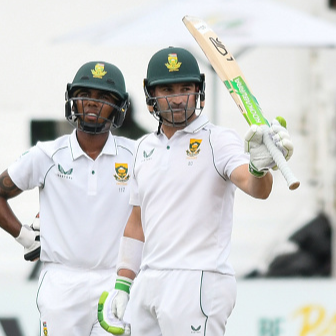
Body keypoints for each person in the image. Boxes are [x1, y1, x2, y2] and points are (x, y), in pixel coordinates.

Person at [98, 47, 294, 336]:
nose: (177, 98)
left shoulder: (219, 139)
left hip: (199, 279)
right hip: (150, 280)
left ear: (198, 91)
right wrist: (124, 284)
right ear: (150, 94)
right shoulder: (142, 148)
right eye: (167, 89)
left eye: (185, 88)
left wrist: (258, 168)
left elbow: (257, 188)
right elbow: (137, 222)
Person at [0, 61, 136, 336]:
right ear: (72, 100)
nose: (92, 103)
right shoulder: (47, 155)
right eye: (85, 95)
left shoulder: (136, 156)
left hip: (116, 282)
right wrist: (25, 237)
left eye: (103, 98)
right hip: (61, 284)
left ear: (119, 107)